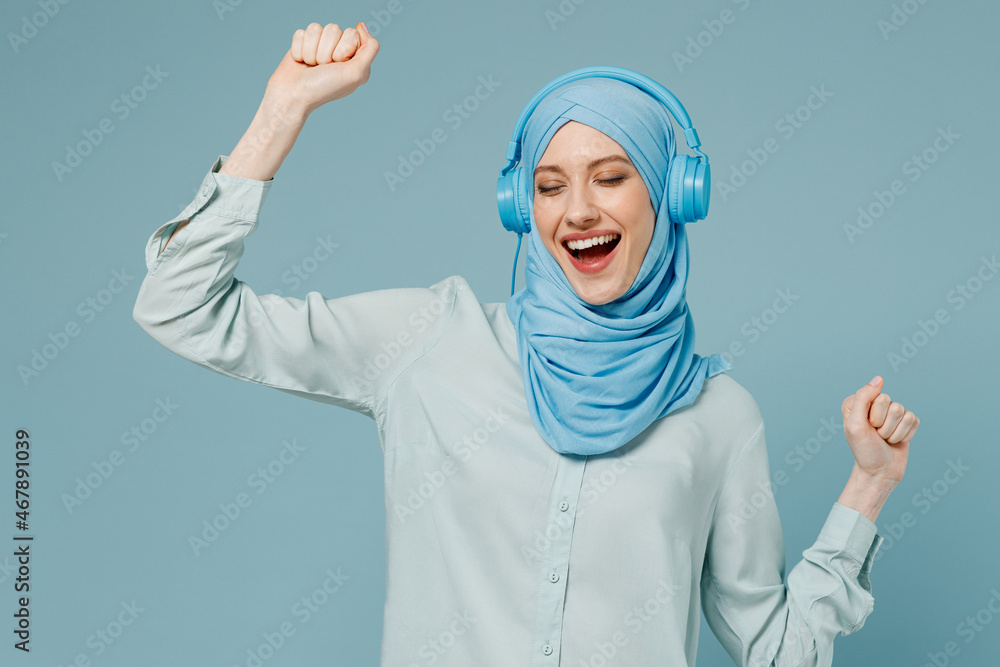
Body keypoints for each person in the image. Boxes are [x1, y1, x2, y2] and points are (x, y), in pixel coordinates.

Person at [132, 21, 920, 667]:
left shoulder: (721, 416)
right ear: (521, 205)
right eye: (548, 186)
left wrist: (869, 486)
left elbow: (780, 654)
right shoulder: (426, 341)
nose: (577, 210)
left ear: (671, 194)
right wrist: (283, 110)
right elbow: (180, 306)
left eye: (611, 176)